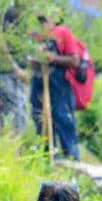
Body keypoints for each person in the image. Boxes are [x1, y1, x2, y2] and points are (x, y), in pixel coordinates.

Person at [23, 7, 80, 161]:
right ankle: (46, 158)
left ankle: (72, 160)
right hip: (39, 82)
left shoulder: (63, 33)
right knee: (40, 118)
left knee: (62, 119)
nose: (43, 23)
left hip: (59, 85)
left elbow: (74, 60)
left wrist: (52, 58)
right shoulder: (34, 35)